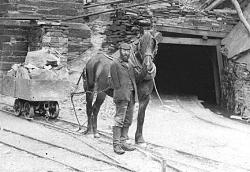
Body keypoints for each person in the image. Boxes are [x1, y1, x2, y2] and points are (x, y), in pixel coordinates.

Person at [110, 43, 137, 155]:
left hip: (131, 95)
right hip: (121, 95)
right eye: (124, 50)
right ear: (120, 50)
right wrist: (120, 91)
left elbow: (135, 78)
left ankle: (123, 142)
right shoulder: (114, 64)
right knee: (119, 119)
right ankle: (116, 145)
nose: (126, 53)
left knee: (128, 120)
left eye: (128, 51)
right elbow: (113, 82)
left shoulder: (130, 64)